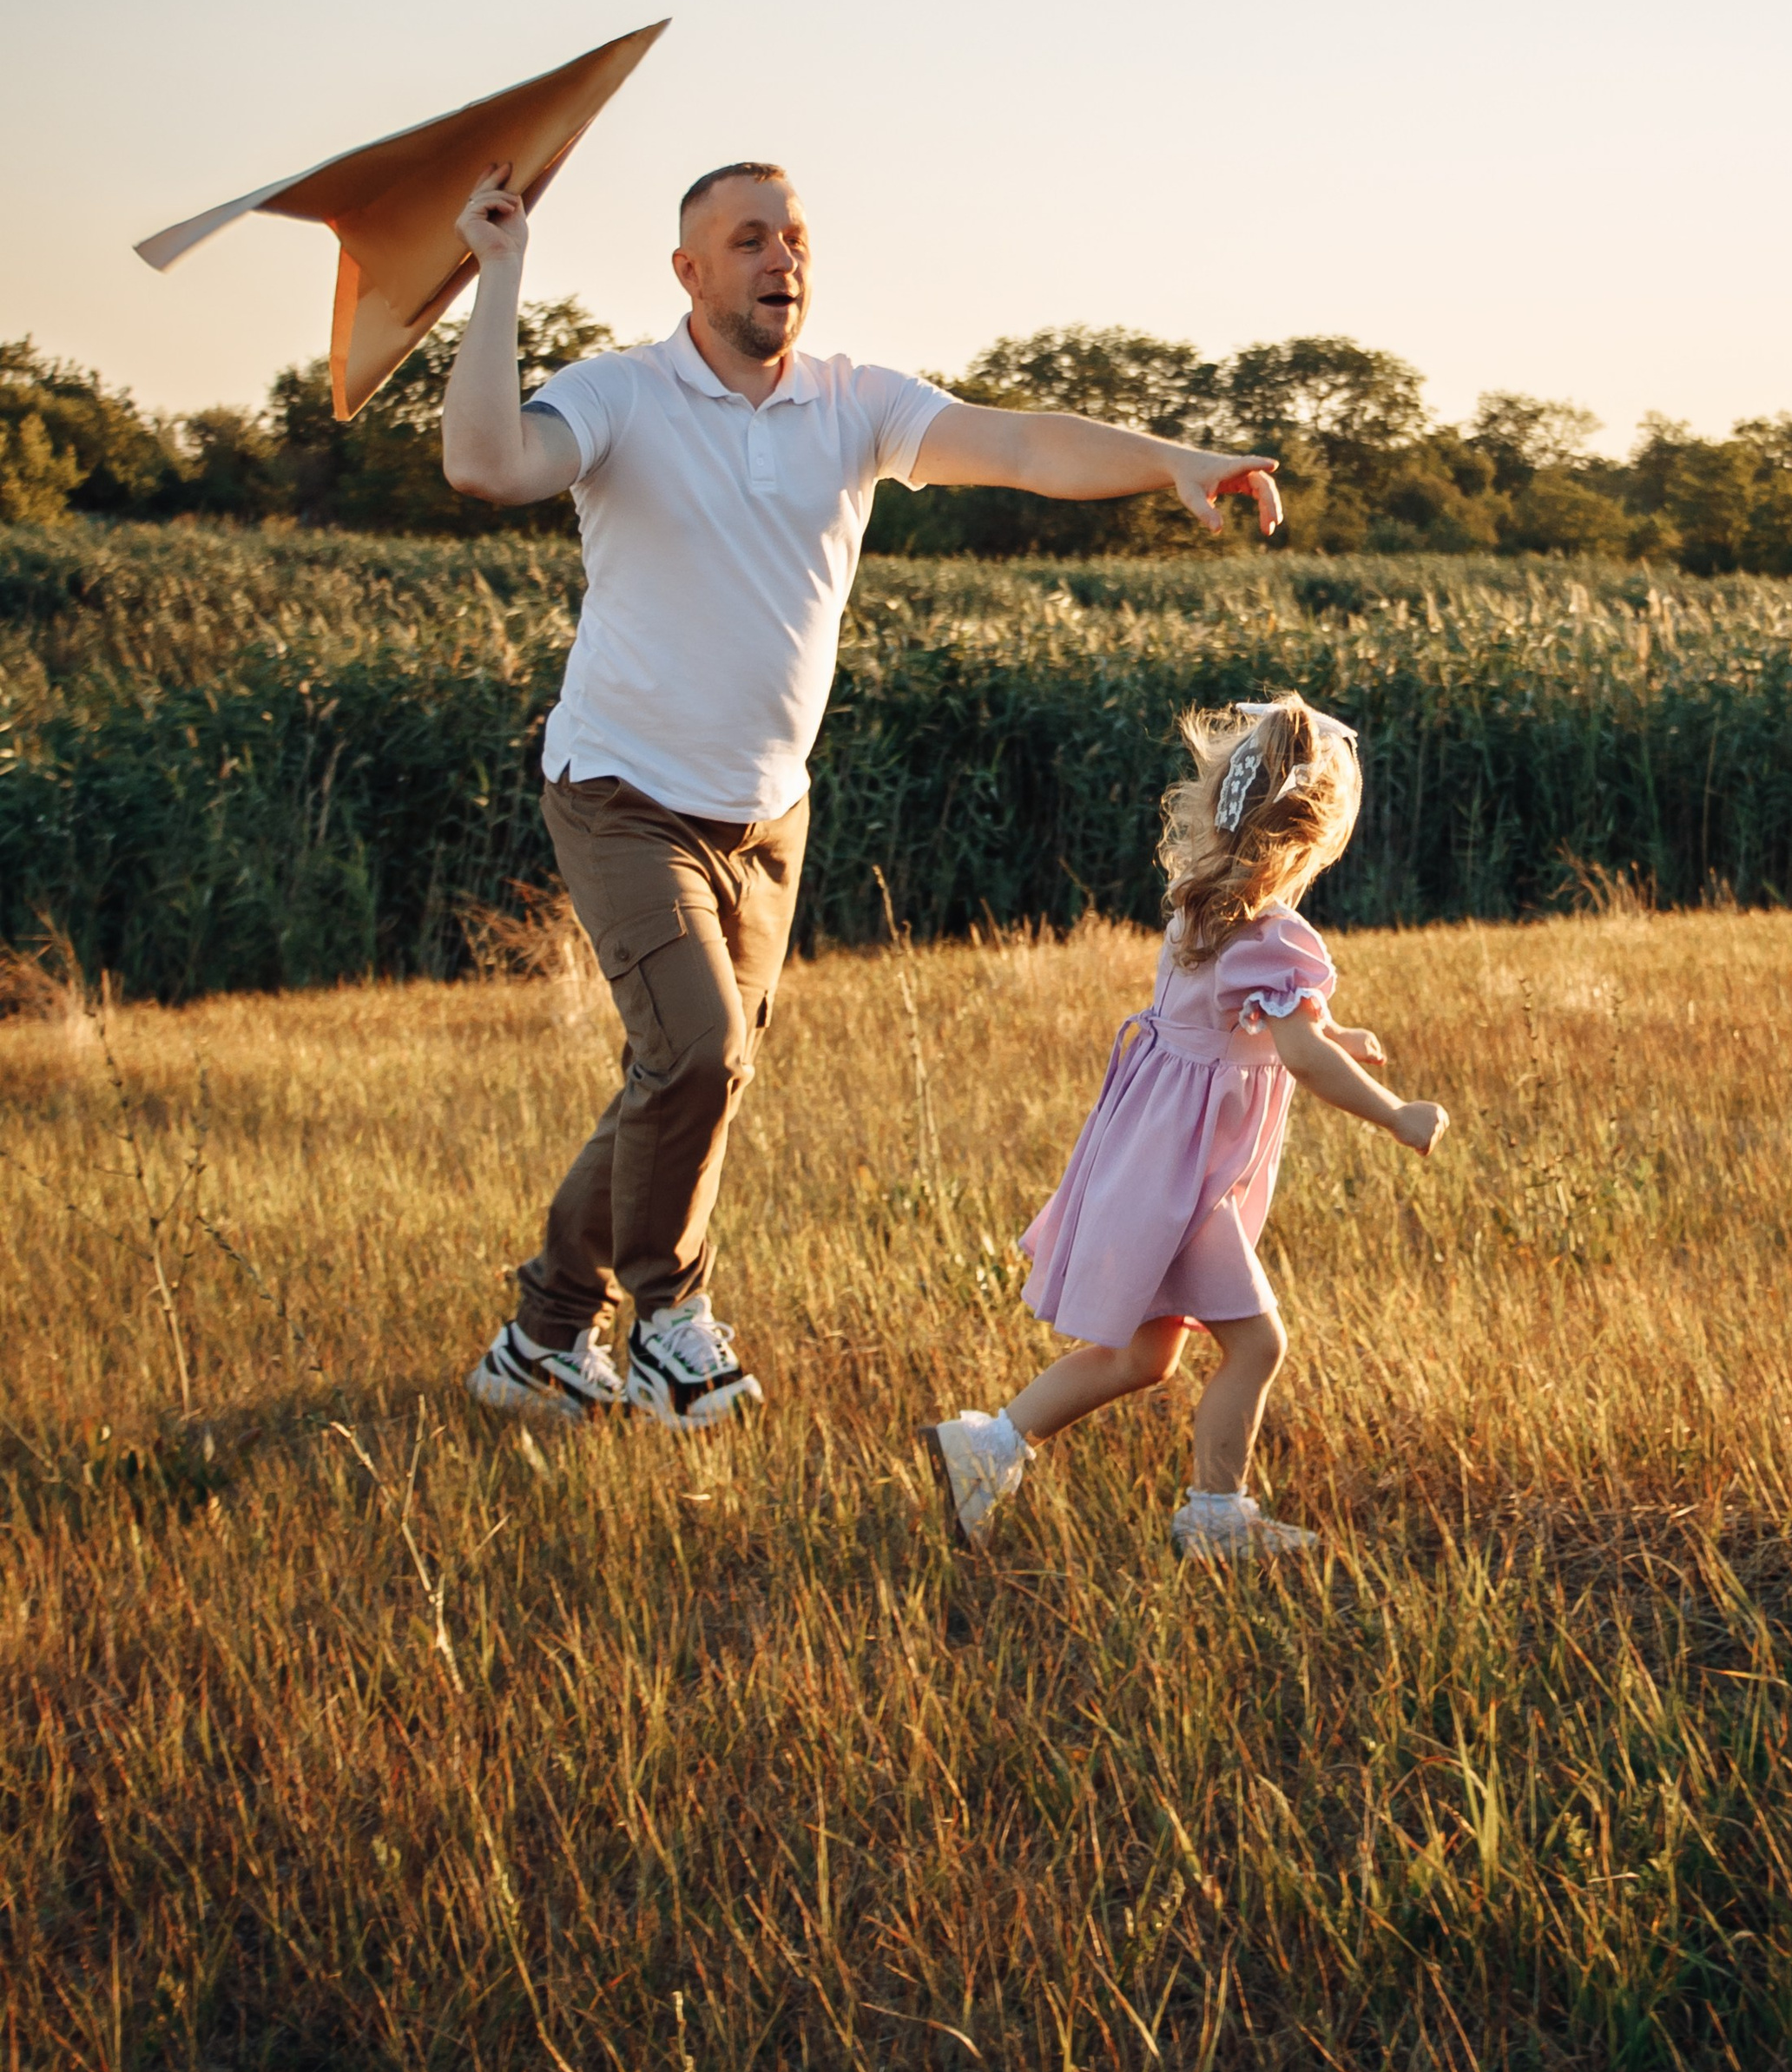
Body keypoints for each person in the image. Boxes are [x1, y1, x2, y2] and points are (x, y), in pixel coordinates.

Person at [445, 156, 1282, 1428]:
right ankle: (672, 1317)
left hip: (768, 811)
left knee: (683, 1075)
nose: (780, 258)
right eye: (746, 241)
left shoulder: (852, 404)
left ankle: (544, 1337)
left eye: (793, 238)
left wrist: (1174, 458)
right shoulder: (619, 393)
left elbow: (1016, 441)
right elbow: (489, 465)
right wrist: (498, 277)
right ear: (688, 273)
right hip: (622, 793)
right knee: (701, 1055)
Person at [926, 694, 1449, 1565]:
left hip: (1151, 1158)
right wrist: (1395, 1114)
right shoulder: (1276, 936)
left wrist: (1333, 1035)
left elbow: (1247, 1029)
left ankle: (988, 1448)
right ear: (1315, 837)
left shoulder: (1199, 906)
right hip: (1190, 1185)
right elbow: (1301, 1058)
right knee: (1257, 1343)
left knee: (1141, 1357)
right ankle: (1215, 1513)